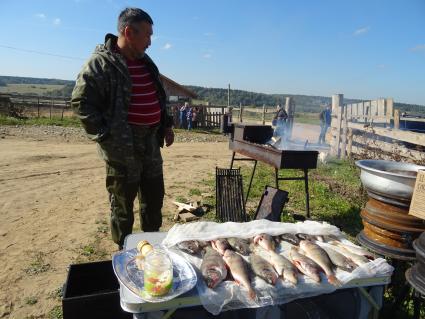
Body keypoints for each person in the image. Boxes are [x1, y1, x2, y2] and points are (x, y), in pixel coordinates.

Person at [71, 7, 174, 249]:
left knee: (153, 198)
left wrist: (166, 125)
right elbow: (81, 103)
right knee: (122, 205)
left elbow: (159, 96)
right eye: (147, 34)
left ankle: (153, 248)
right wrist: (106, 136)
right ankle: (124, 252)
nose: (150, 41)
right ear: (129, 32)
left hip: (150, 143)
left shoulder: (147, 62)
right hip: (122, 148)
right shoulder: (101, 64)